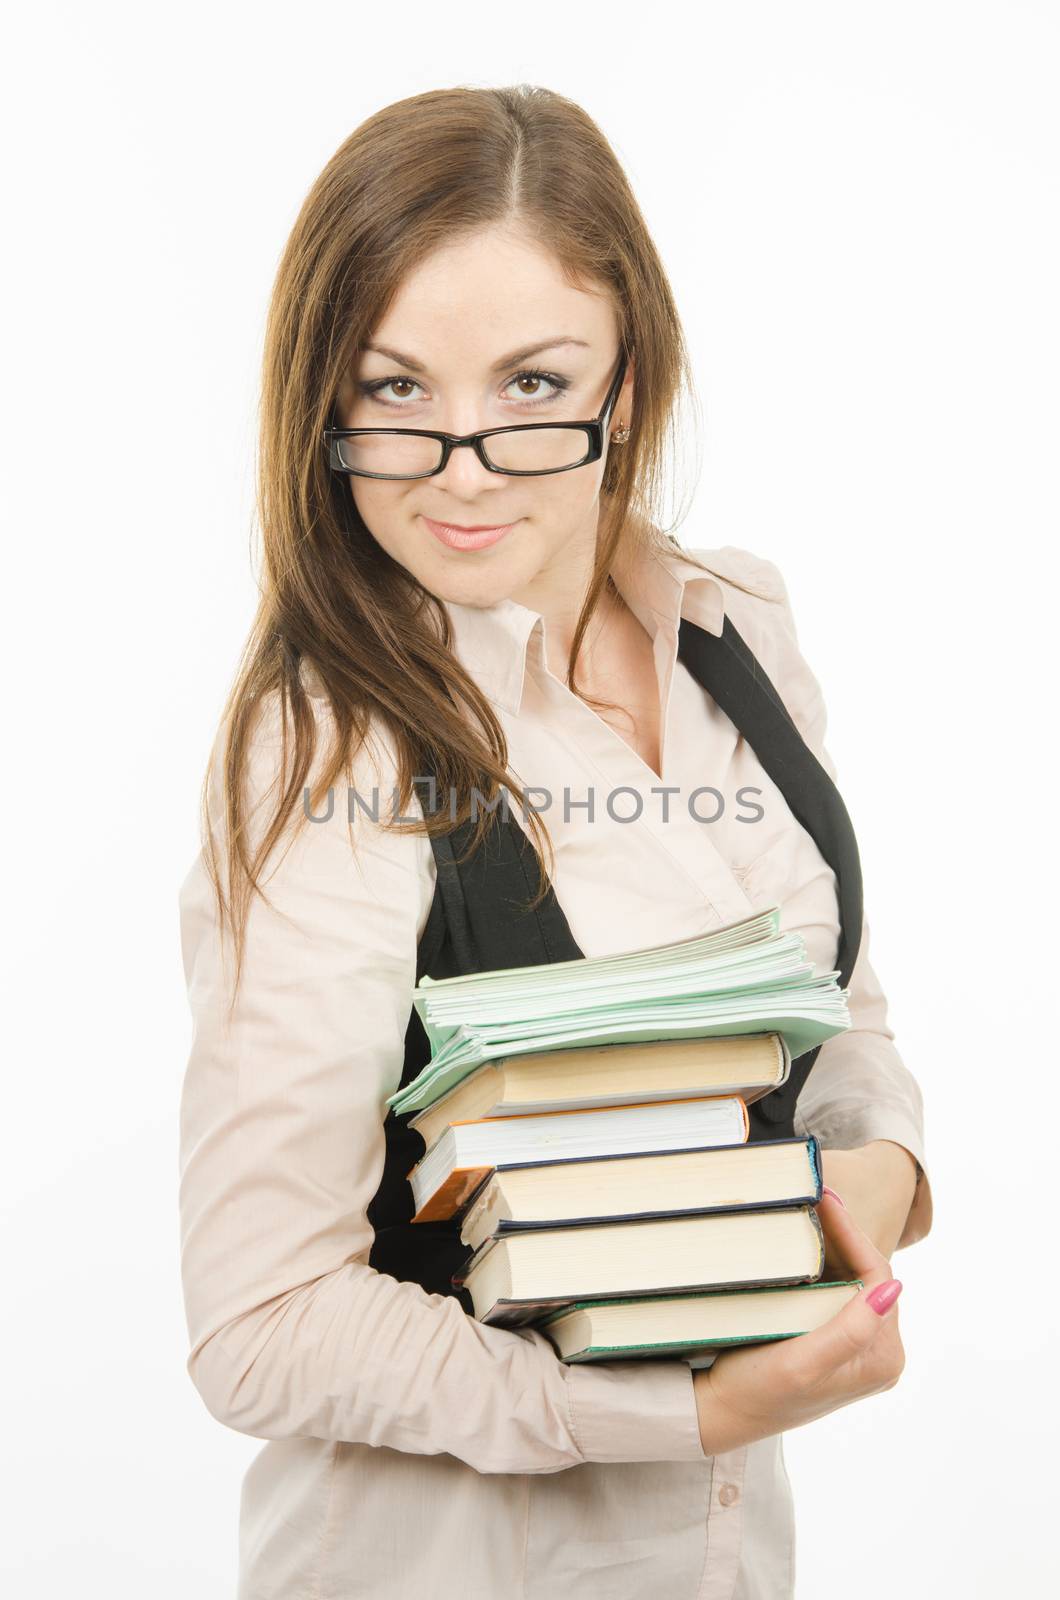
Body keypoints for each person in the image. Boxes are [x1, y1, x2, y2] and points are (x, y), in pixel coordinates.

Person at [178, 83, 932, 1600]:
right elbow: (258, 1321)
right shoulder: (331, 748)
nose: (462, 466)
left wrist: (880, 1170)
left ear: (630, 377)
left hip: (726, 1558)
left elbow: (838, 1009)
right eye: (394, 392)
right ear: (322, 402)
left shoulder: (737, 629)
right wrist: (677, 1411)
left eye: (533, 386)